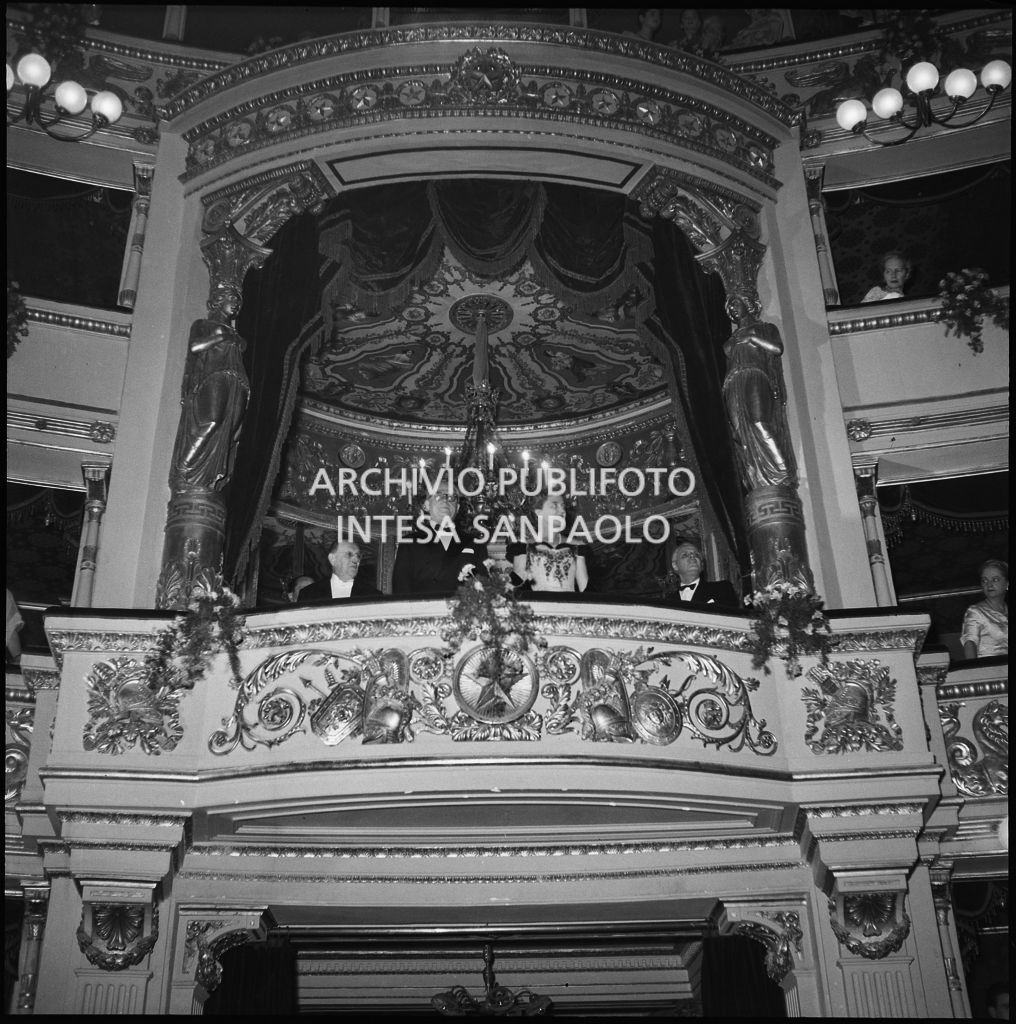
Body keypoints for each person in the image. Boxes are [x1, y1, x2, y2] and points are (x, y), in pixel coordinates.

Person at [170, 315, 250, 491]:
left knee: (233, 433)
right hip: (215, 375)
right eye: (230, 296)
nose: (234, 302)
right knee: (212, 421)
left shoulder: (235, 333)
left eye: (237, 299)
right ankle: (184, 469)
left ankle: (215, 479)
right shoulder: (203, 324)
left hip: (238, 380)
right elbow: (195, 347)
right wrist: (219, 337)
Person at [721, 311, 796, 491]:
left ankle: (782, 472)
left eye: (736, 302)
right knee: (738, 433)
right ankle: (754, 478)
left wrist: (753, 338)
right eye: (730, 306)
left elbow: (777, 349)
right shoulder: (730, 340)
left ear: (749, 304)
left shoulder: (764, 328)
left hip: (756, 374)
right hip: (732, 381)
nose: (733, 308)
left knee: (759, 422)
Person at [391, 487, 488, 596]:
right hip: (424, 610)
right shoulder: (409, 543)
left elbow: (485, 590)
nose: (445, 500)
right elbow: (401, 591)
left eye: (451, 497)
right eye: (438, 495)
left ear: (457, 507)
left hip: (462, 610)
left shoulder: (475, 543)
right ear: (426, 505)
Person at [507, 491, 589, 593]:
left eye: (563, 506)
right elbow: (517, 580)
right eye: (554, 506)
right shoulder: (524, 546)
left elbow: (584, 587)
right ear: (539, 512)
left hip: (569, 606)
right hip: (539, 606)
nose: (562, 510)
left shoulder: (577, 545)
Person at [299, 540, 381, 601]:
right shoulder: (308, 594)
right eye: (349, 554)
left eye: (358, 556)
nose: (356, 560)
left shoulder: (373, 595)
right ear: (332, 559)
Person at [666, 540, 739, 608]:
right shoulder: (668, 601)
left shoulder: (722, 588)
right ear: (675, 566)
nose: (692, 557)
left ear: (701, 564)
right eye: (685, 555)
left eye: (696, 555)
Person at [961, 559, 1008, 658]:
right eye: (985, 580)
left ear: (1007, 584)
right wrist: (974, 671)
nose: (989, 584)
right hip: (989, 669)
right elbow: (969, 643)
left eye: (995, 579)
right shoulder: (975, 612)